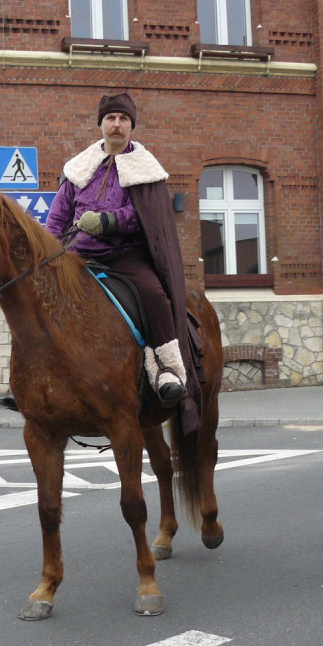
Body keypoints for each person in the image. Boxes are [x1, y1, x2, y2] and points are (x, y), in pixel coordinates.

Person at [44, 92, 194, 409]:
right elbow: (58, 216)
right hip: (80, 256)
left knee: (155, 296)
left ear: (131, 127)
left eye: (123, 119)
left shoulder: (146, 170)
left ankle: (168, 370)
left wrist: (108, 221)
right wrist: (48, 253)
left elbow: (146, 215)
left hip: (126, 257)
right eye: (110, 118)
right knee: (43, 298)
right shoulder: (78, 168)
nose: (116, 124)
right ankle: (42, 375)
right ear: (101, 125)